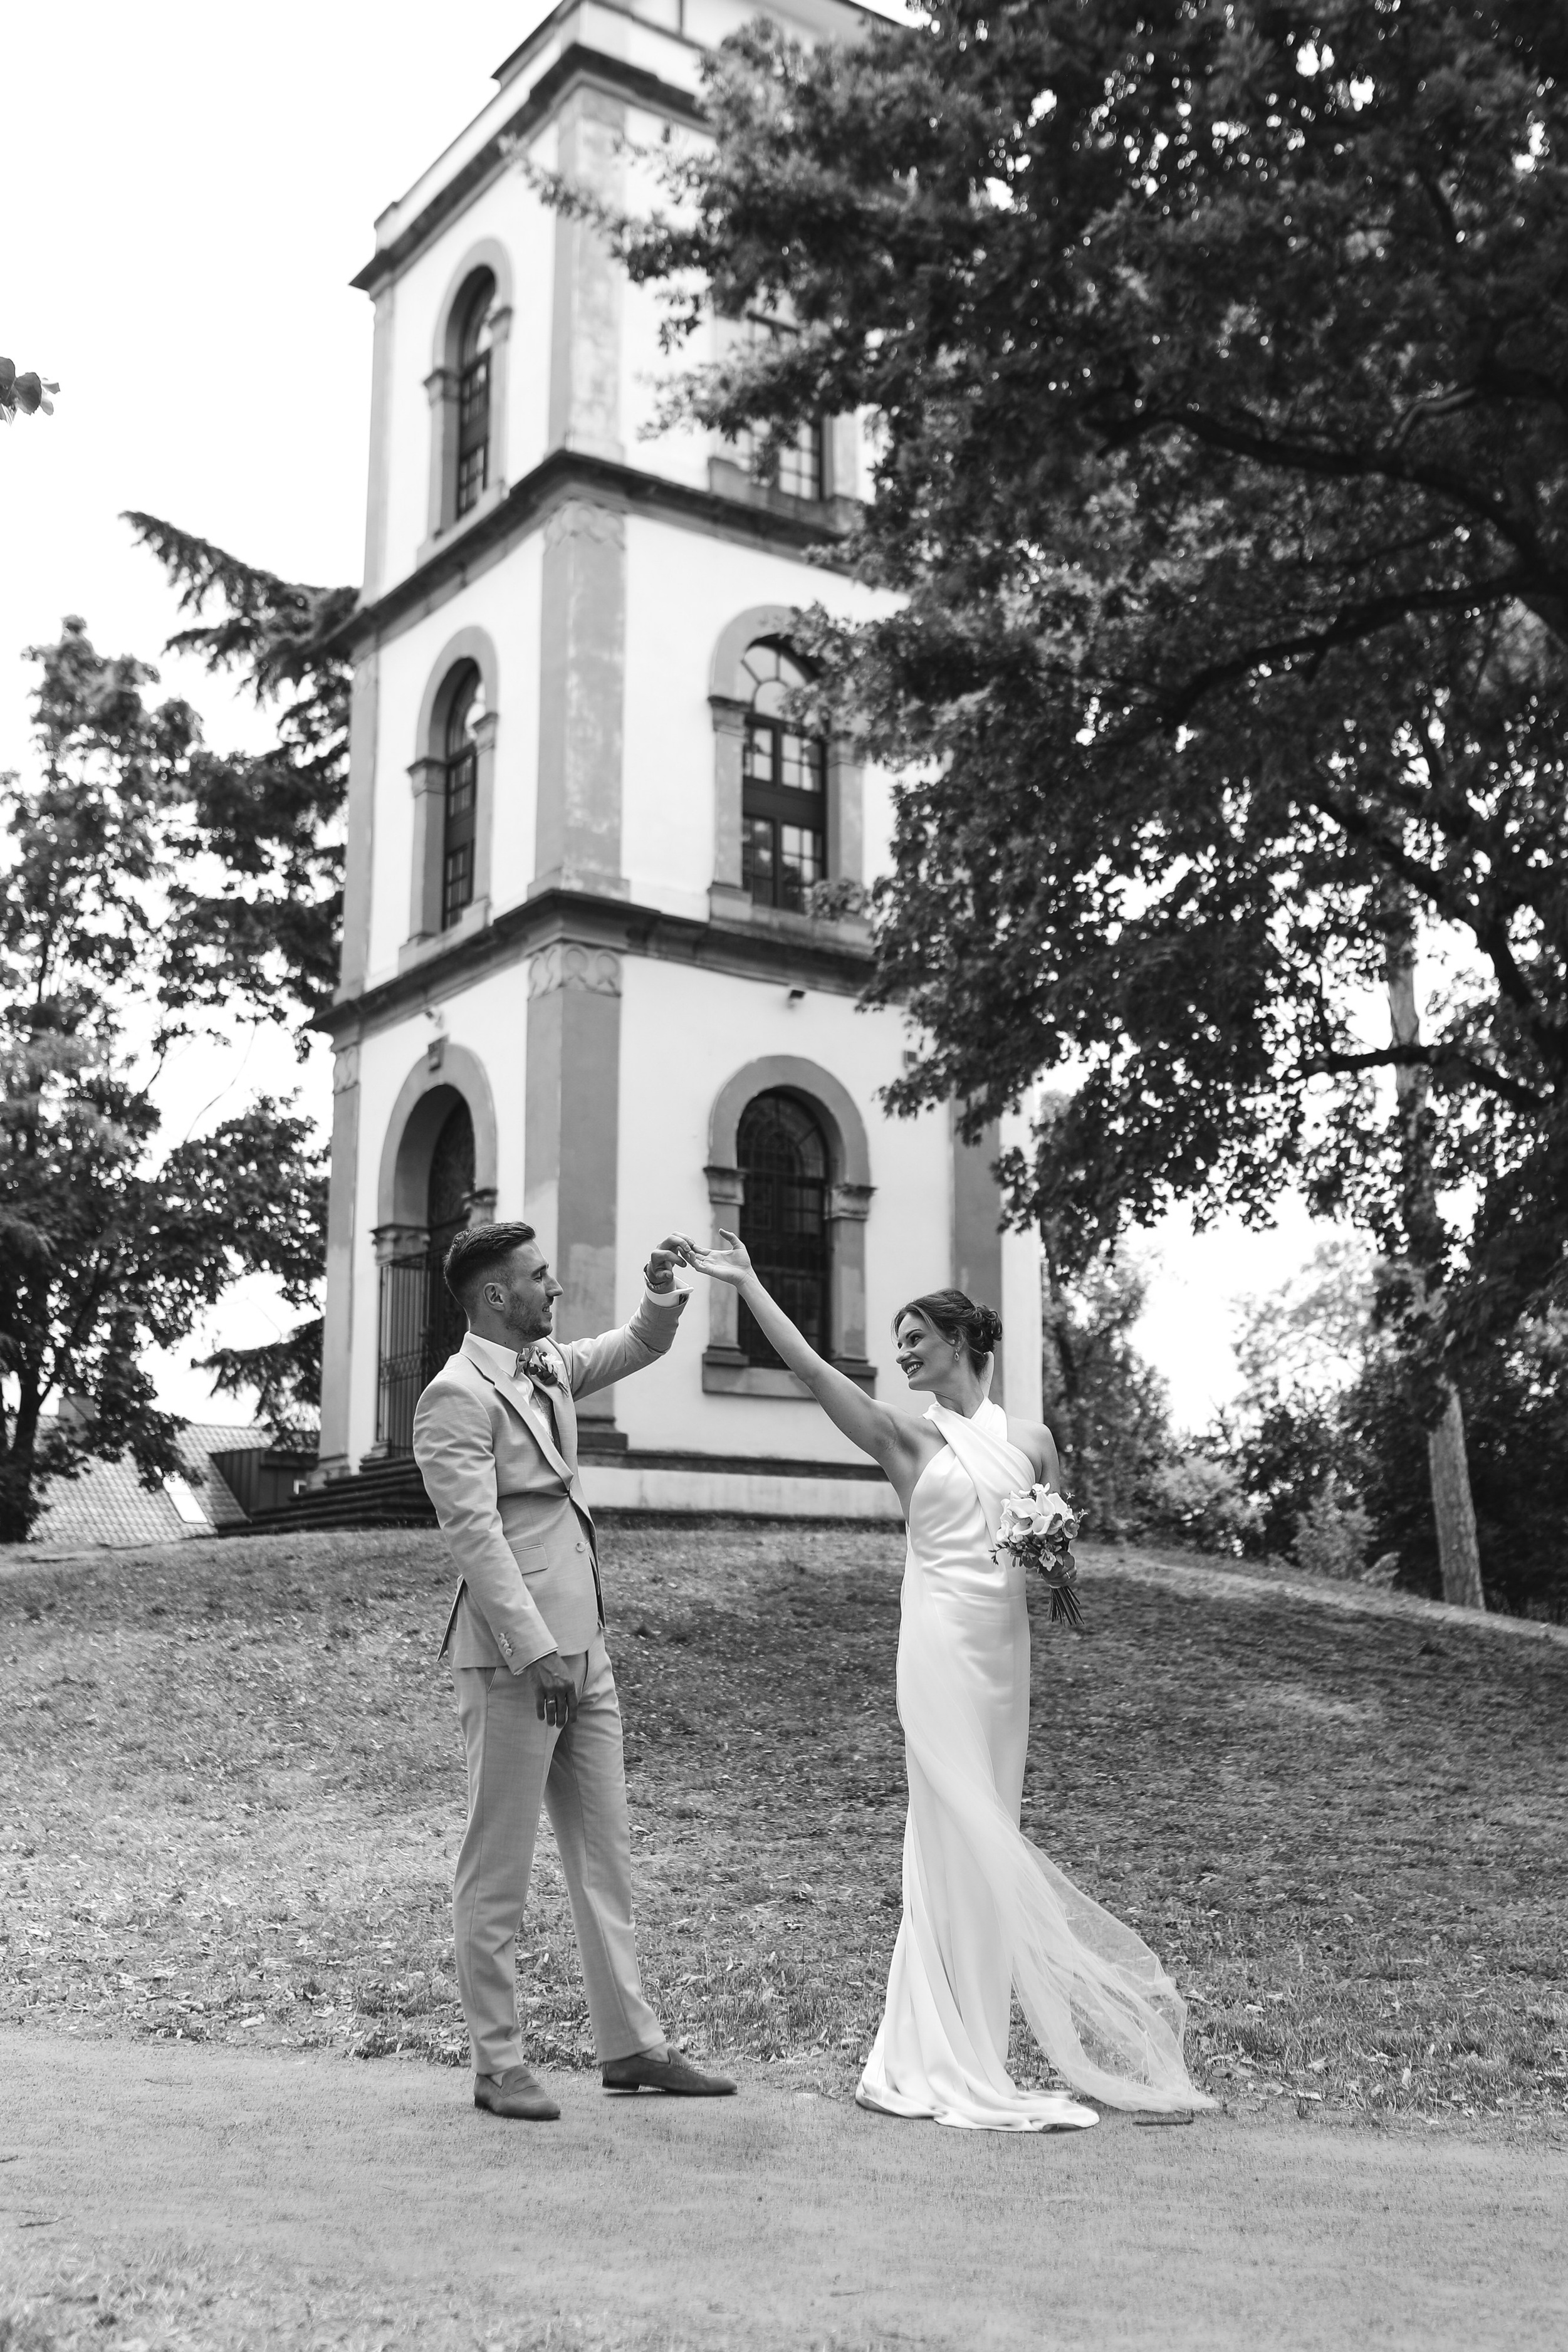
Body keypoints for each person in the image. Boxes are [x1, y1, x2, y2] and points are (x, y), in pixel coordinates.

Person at [682, 1232, 1213, 2131]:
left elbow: (1057, 1561)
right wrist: (748, 1280)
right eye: (896, 1343)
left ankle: (975, 2050)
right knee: (943, 1838)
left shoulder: (1033, 1443)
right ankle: (921, 2053)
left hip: (1003, 1658)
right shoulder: (902, 1436)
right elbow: (812, 1371)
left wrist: (1054, 1560)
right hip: (934, 1650)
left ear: (961, 1341)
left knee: (990, 1835)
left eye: (915, 1339)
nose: (901, 1355)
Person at [413, 1220, 734, 2121]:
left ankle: (631, 2047)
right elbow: (475, 1536)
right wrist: (537, 1649)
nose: (554, 1288)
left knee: (605, 1855)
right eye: (539, 1277)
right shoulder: (452, 1397)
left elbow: (635, 1344)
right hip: (515, 1661)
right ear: (495, 1296)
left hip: (585, 1649)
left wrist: (663, 1292)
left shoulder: (547, 1362)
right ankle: (498, 2064)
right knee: (498, 1867)